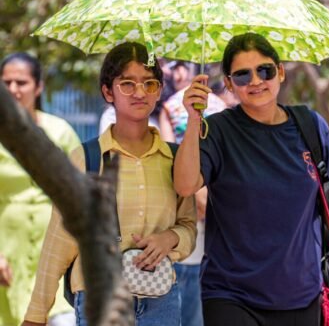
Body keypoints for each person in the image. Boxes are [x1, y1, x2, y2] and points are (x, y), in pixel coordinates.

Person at [173, 32, 329, 325]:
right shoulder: (218, 130)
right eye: (241, 75)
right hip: (231, 295)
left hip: (301, 294)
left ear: (280, 72)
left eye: (264, 70)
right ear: (227, 83)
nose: (255, 81)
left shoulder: (311, 126)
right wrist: (193, 120)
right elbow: (186, 185)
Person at [22, 42, 196, 326]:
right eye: (127, 84)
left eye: (149, 83)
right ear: (107, 91)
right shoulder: (88, 158)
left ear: (159, 90)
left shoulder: (174, 159)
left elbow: (188, 226)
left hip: (161, 303)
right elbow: (59, 241)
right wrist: (36, 314)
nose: (140, 92)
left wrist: (170, 239)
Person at [0, 53, 80, 326]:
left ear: (38, 87)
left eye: (21, 82)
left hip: (56, 254)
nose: (13, 90)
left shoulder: (61, 132)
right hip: (8, 256)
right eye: (6, 82)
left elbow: (80, 195)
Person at [158, 62, 226, 326]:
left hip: (178, 240)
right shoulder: (223, 108)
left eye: (181, 67)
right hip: (204, 244)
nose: (176, 73)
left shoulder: (170, 107)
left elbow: (168, 163)